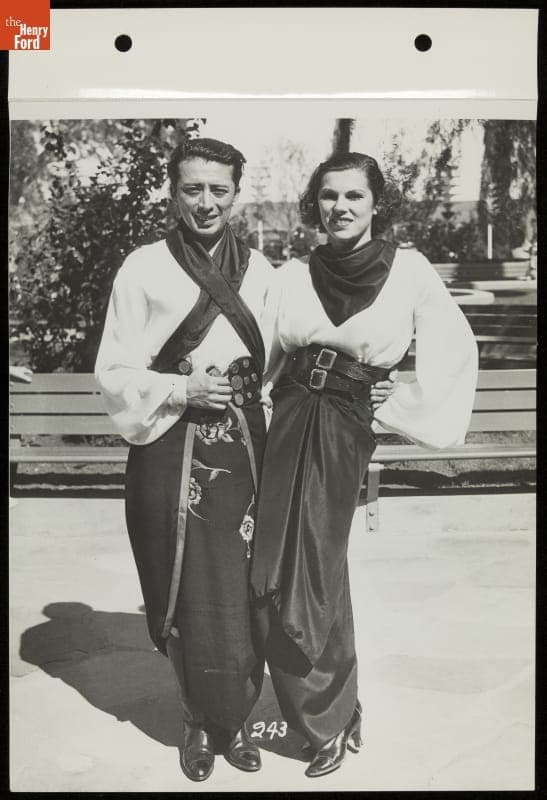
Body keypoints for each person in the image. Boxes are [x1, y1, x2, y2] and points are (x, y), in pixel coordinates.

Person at [95, 138, 395, 782]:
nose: (206, 202)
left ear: (238, 194)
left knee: (254, 589)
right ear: (173, 191)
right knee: (189, 590)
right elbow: (113, 370)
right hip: (171, 444)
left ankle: (261, 719)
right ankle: (205, 724)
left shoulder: (267, 273)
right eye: (192, 188)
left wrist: (365, 381)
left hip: (254, 445)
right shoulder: (141, 268)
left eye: (219, 190)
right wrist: (179, 388)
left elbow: (301, 350)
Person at [250, 152, 479, 778]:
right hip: (289, 419)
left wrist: (396, 399)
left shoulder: (410, 270)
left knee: (313, 569)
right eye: (329, 196)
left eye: (354, 196)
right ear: (314, 205)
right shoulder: (293, 273)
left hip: (344, 425)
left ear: (377, 203)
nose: (341, 208)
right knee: (271, 564)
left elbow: (454, 349)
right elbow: (265, 357)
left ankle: (329, 718)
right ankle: (330, 711)